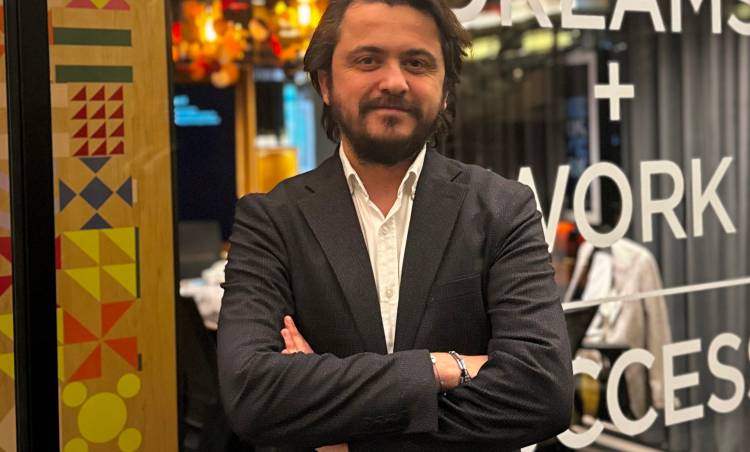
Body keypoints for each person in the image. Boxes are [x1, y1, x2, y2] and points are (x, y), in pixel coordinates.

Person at [217, 0, 573, 450]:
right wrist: (444, 367)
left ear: (445, 89)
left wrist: (344, 436)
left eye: (417, 63)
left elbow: (543, 393)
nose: (394, 81)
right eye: (368, 60)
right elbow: (252, 395)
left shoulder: (502, 208)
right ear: (326, 82)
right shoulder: (270, 221)